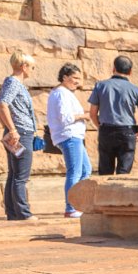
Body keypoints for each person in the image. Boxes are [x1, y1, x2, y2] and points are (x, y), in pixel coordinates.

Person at [0, 51, 38, 221]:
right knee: (21, 176)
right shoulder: (13, 82)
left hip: (18, 132)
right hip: (21, 133)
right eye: (32, 67)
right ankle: (23, 213)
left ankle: (13, 213)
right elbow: (1, 105)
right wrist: (12, 129)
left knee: (14, 174)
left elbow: (0, 106)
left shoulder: (14, 83)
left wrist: (9, 128)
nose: (32, 71)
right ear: (23, 66)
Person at [88, 55, 138, 175]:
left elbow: (92, 113)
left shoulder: (100, 86)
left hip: (106, 130)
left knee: (105, 172)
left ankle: (106, 194)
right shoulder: (136, 90)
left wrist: (100, 127)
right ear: (130, 72)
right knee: (124, 173)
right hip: (127, 131)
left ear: (113, 68)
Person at [47, 63, 91, 218]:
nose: (78, 81)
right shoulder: (61, 93)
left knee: (86, 170)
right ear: (64, 77)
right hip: (69, 136)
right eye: (75, 78)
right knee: (75, 171)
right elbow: (65, 118)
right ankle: (71, 207)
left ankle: (79, 204)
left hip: (74, 136)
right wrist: (84, 116)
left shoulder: (65, 93)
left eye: (80, 78)